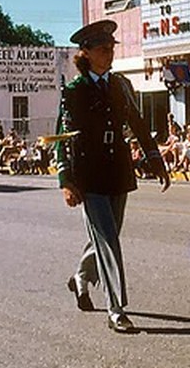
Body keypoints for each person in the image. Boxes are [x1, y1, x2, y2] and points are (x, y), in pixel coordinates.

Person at [55, 19, 170, 334]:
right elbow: (61, 136)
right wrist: (65, 180)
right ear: (86, 54)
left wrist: (155, 159)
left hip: (118, 171)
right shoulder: (75, 91)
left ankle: (81, 276)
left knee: (109, 236)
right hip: (88, 176)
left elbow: (137, 122)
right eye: (103, 49)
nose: (110, 54)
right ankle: (116, 309)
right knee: (107, 241)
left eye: (111, 48)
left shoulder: (120, 85)